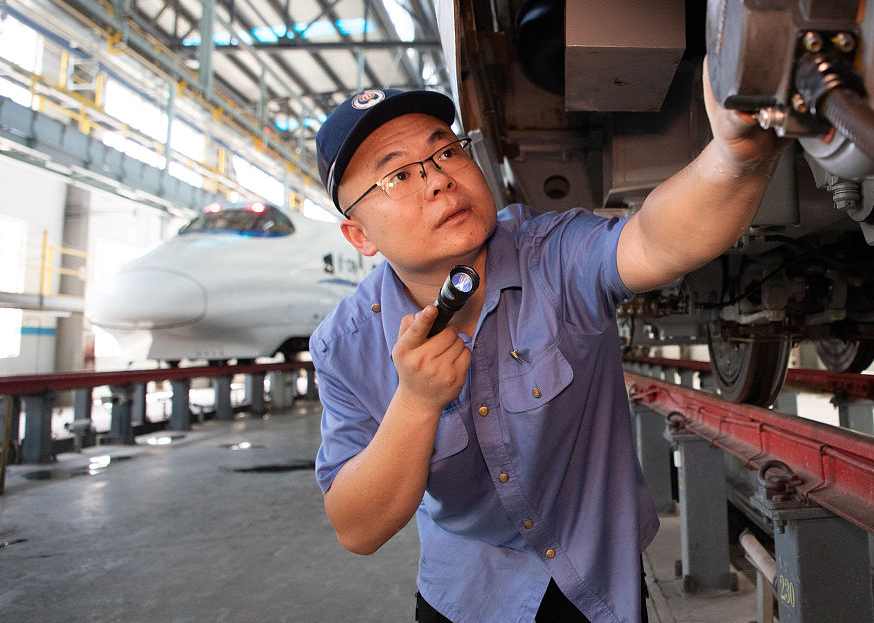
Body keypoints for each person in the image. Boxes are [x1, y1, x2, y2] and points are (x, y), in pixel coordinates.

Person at [310, 59, 784, 623]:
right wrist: (415, 402)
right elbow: (356, 528)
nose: (438, 179)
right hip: (469, 594)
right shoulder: (344, 345)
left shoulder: (552, 256)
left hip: (598, 583)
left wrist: (734, 156)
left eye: (446, 152)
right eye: (398, 176)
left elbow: (653, 242)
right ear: (359, 235)